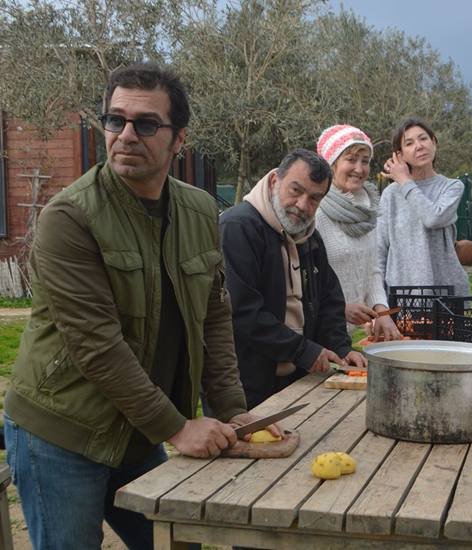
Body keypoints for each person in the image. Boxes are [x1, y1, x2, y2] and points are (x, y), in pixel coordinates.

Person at [3, 63, 272, 550]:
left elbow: (213, 318)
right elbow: (97, 345)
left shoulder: (199, 211)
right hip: (62, 434)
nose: (126, 135)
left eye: (146, 124)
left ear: (178, 139)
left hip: (136, 430)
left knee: (174, 542)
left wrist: (234, 412)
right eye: (115, 120)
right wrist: (177, 428)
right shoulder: (69, 218)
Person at [221, 149, 366, 409]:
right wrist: (305, 351)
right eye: (296, 190)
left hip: (297, 380)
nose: (302, 205)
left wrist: (341, 348)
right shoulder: (237, 228)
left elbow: (329, 301)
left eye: (314, 199)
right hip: (242, 383)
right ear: (274, 181)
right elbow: (242, 312)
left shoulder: (310, 237)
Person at [314, 124, 401, 341]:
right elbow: (305, 280)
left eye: (365, 161)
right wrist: (340, 308)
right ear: (331, 163)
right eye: (351, 160)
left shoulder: (368, 211)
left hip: (342, 335)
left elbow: (372, 270)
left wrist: (382, 312)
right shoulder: (315, 210)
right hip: (313, 332)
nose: (360, 169)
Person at [378, 118, 470, 295]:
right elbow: (379, 249)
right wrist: (378, 298)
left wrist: (405, 181)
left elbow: (433, 218)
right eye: (409, 143)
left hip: (447, 293)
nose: (419, 146)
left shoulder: (451, 187)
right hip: (402, 294)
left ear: (433, 142)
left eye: (423, 138)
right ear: (400, 155)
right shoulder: (390, 194)